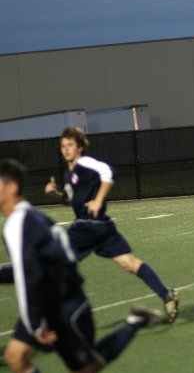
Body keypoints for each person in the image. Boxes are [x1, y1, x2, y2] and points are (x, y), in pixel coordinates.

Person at [0, 159, 165, 373]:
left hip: (64, 308)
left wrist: (38, 323)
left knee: (85, 372)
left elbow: (33, 277)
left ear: (12, 187)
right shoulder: (31, 218)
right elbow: (30, 269)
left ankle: (134, 322)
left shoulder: (19, 224)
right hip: (48, 302)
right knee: (16, 356)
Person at [44, 126, 179, 322]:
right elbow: (69, 199)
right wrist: (54, 194)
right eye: (63, 146)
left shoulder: (86, 163)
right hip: (100, 227)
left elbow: (109, 172)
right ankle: (166, 294)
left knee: (55, 262)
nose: (66, 149)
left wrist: (99, 199)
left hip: (87, 225)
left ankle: (50, 319)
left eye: (70, 145)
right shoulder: (68, 175)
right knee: (128, 263)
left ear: (80, 147)